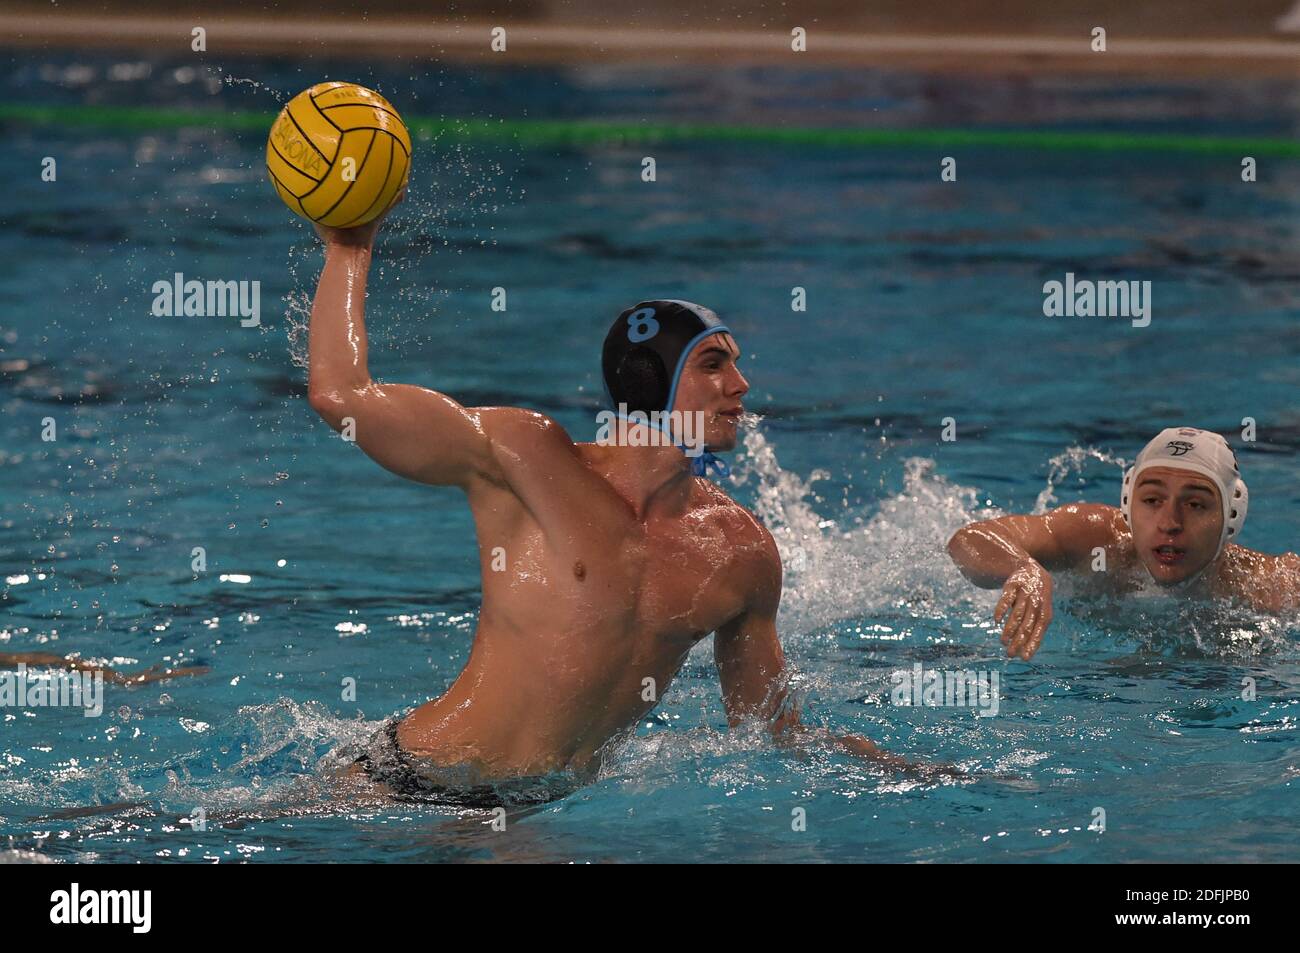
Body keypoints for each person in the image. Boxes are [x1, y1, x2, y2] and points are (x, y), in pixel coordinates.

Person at [308, 200, 944, 806]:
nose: (741, 385)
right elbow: (342, 396)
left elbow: (772, 736)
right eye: (714, 364)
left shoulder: (740, 553)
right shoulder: (525, 457)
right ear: (654, 378)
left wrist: (913, 772)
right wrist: (350, 245)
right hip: (398, 781)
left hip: (530, 811)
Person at [947, 427, 1299, 661]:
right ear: (1128, 502)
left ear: (1231, 514)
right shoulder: (1093, 539)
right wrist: (1023, 568)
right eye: (1151, 501)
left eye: (1195, 504)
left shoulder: (1271, 585)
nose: (1170, 523)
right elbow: (969, 540)